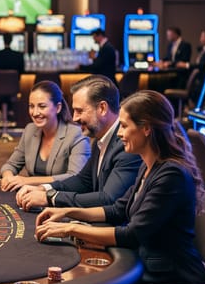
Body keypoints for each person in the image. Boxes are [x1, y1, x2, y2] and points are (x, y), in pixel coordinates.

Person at [34, 90, 205, 284]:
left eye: (126, 126)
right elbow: (118, 209)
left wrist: (71, 229)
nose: (120, 134)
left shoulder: (171, 175)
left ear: (146, 129)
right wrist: (68, 211)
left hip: (171, 283)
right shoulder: (149, 165)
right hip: (148, 270)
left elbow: (131, 233)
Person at [15, 75, 141, 210]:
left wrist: (51, 198)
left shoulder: (126, 143)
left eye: (79, 111)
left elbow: (108, 198)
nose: (74, 118)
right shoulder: (100, 140)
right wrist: (43, 188)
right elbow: (83, 181)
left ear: (102, 108)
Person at [0, 81, 90, 192]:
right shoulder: (30, 130)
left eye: (42, 106)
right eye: (31, 106)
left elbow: (75, 177)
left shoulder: (76, 135)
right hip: (30, 196)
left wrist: (26, 181)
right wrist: (8, 177)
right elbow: (11, 164)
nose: (35, 113)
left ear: (58, 108)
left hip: (62, 199)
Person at [0, 33, 26, 126]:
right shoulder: (18, 56)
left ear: (2, 40)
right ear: (12, 41)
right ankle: (9, 110)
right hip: (14, 88)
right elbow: (22, 71)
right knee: (8, 91)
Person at [190, 29, 205, 102]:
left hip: (204, 79)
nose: (200, 39)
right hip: (199, 79)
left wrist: (187, 65)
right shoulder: (203, 49)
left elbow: (202, 66)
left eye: (202, 37)